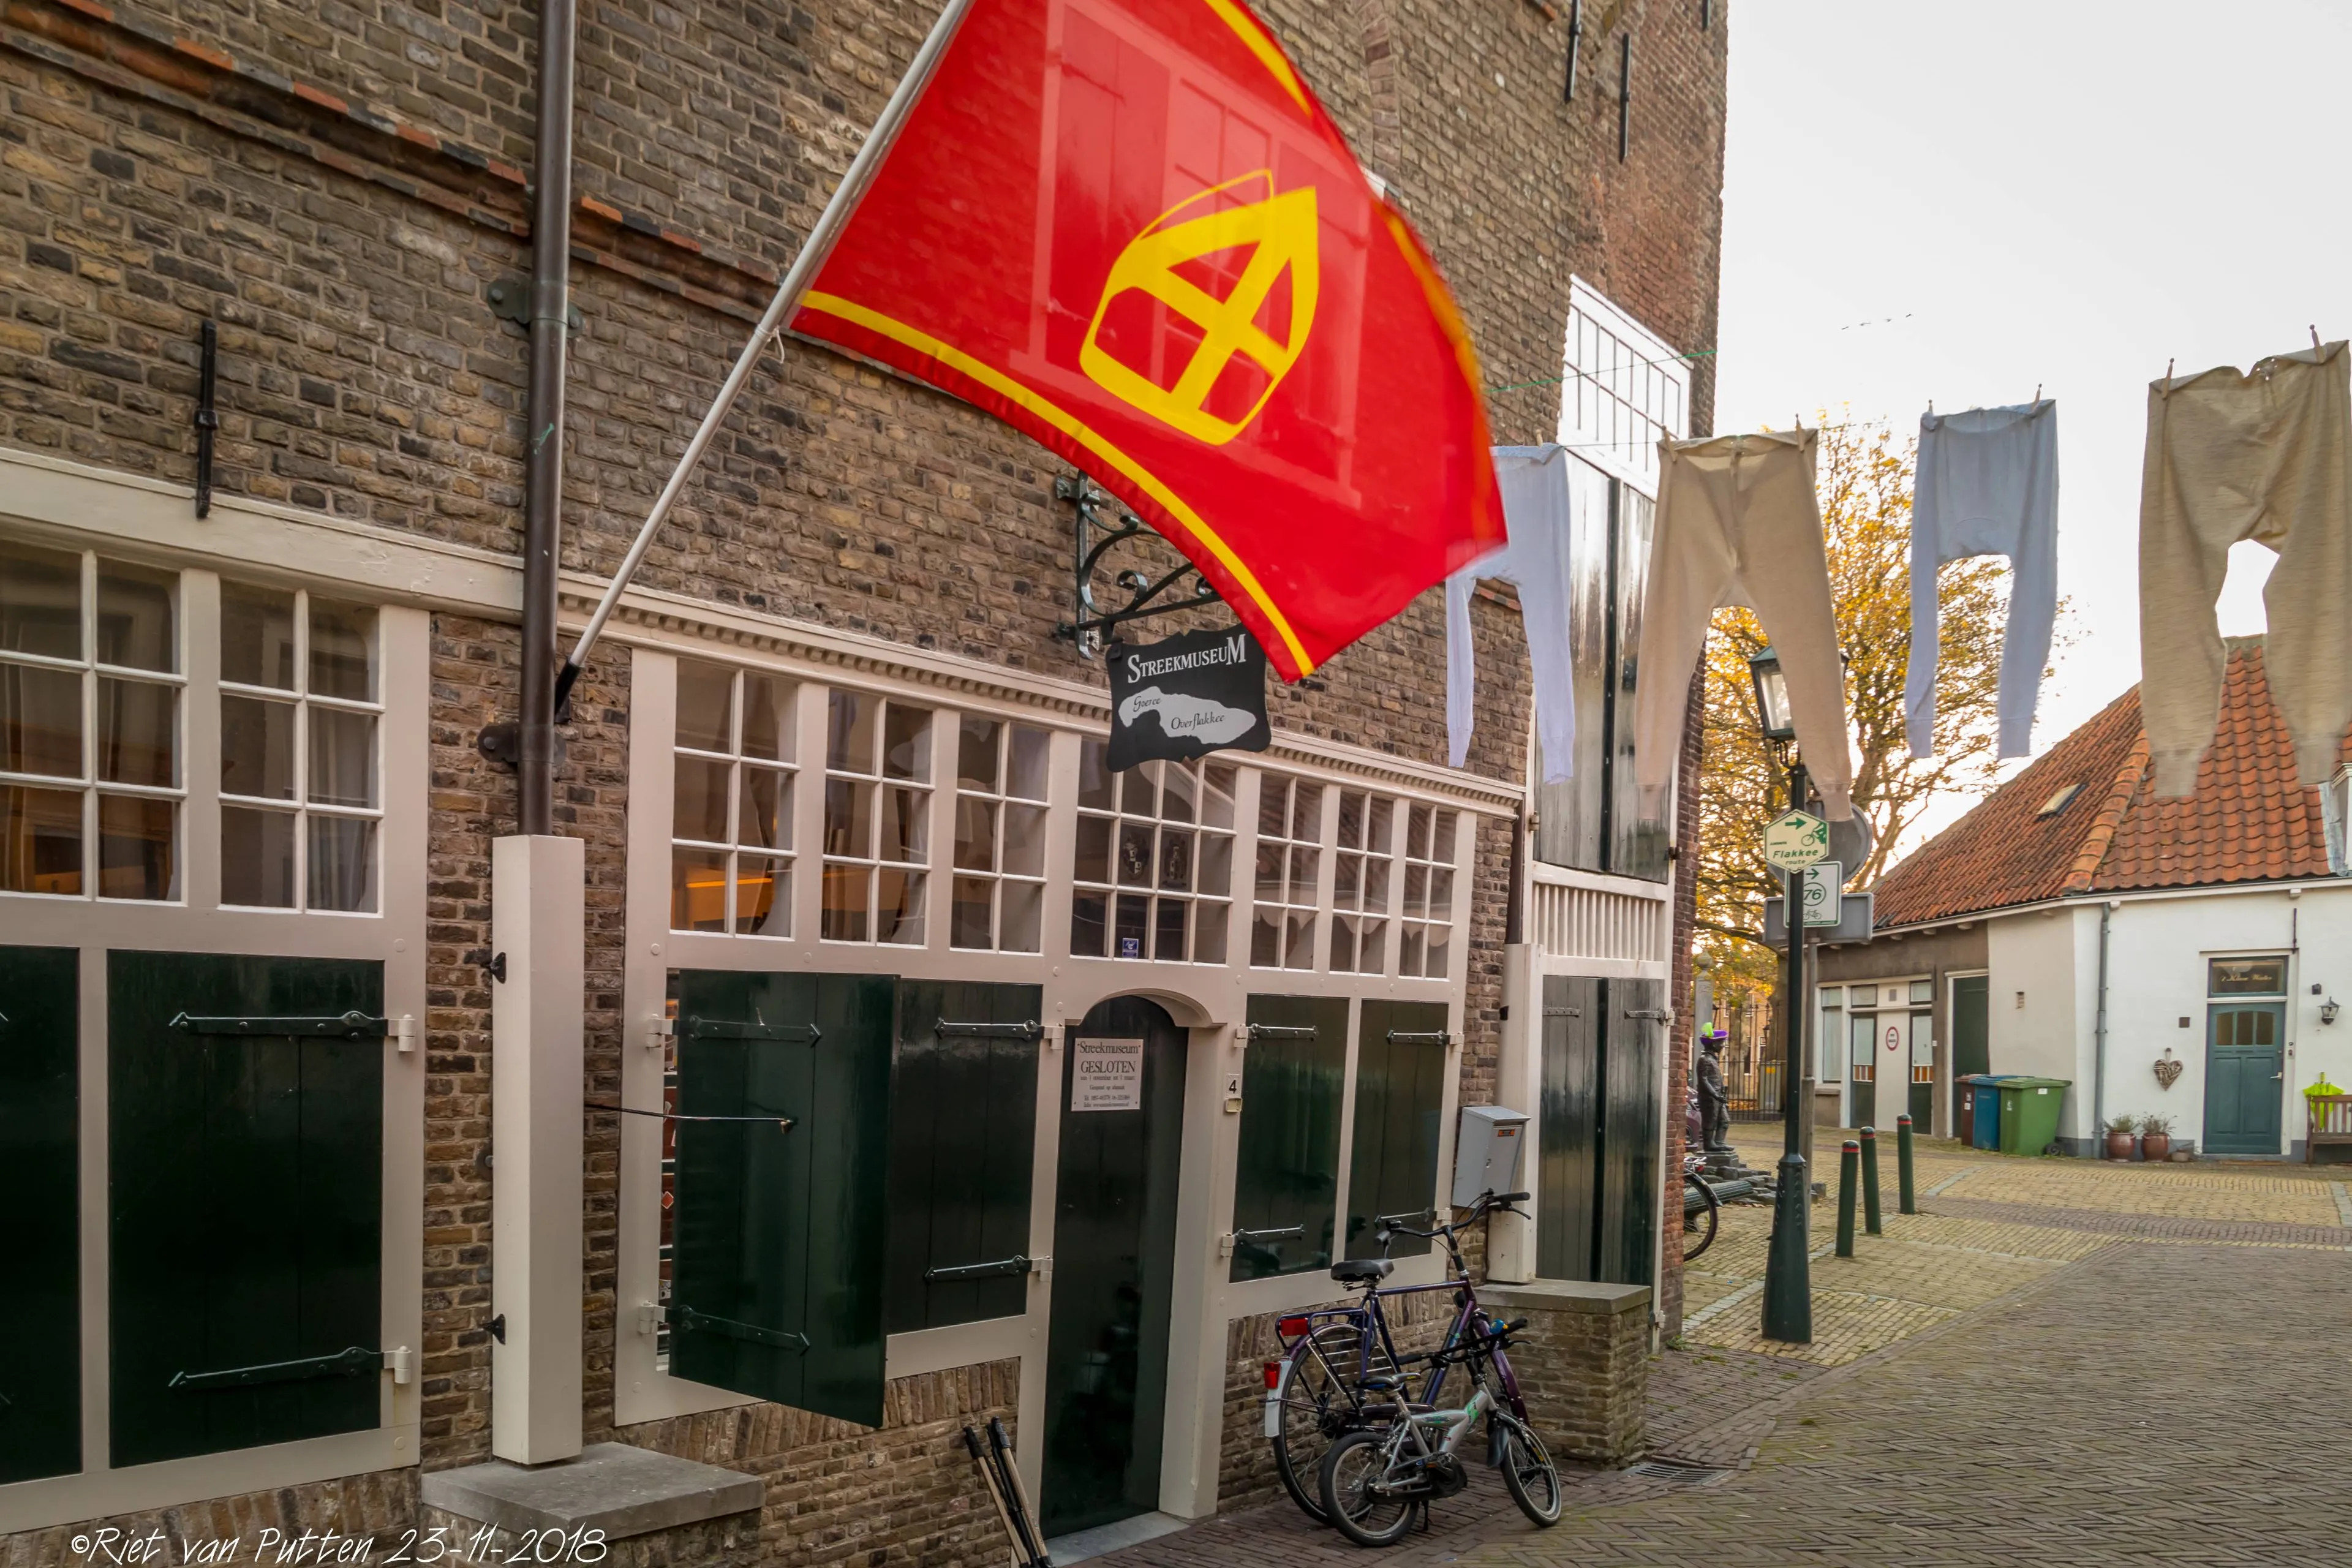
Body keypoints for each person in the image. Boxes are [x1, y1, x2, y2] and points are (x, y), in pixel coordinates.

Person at [1695, 1029, 1733, 1154]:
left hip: (1718, 1097)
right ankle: (1709, 1144)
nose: (1723, 1045)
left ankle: (1720, 1142)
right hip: (1710, 1097)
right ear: (1714, 1044)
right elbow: (1704, 1079)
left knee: (1724, 1120)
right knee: (1710, 1121)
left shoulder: (1712, 1059)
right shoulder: (1704, 1059)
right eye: (1721, 1043)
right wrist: (1715, 1094)